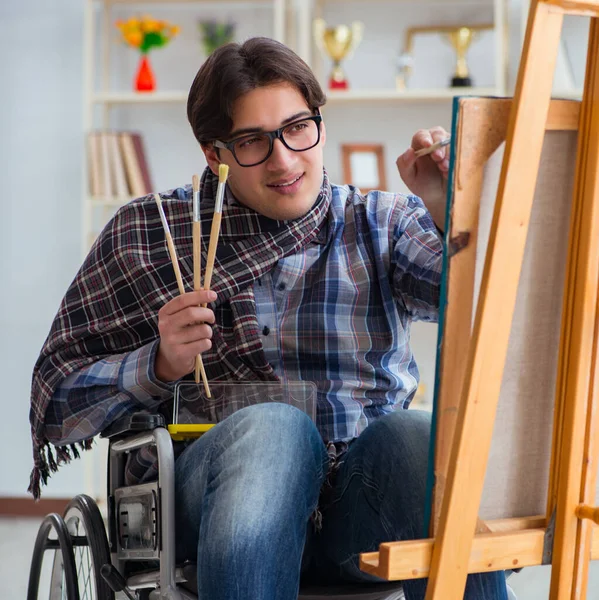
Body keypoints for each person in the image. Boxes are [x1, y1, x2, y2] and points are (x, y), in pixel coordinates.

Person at [29, 37, 508, 600]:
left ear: (320, 124)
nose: (284, 160)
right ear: (215, 155)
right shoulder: (149, 234)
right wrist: (156, 364)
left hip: (357, 513)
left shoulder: (383, 222)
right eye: (252, 141)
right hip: (214, 502)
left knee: (419, 436)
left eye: (297, 128)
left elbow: (494, 312)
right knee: (274, 429)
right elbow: (57, 392)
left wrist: (444, 208)